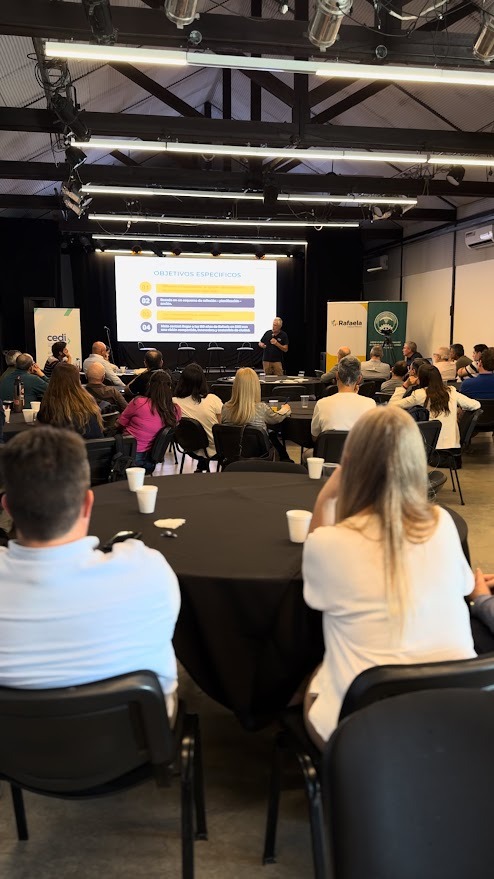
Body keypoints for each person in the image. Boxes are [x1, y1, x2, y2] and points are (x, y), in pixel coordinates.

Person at [302, 406, 476, 748]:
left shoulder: (328, 542)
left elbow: (313, 591)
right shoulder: (442, 523)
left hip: (363, 729)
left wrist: (325, 498)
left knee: (306, 674)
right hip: (460, 716)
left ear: (349, 463)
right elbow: (466, 587)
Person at [0, 427, 181, 722]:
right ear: (87, 503)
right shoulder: (149, 570)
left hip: (11, 759)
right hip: (134, 751)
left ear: (6, 506)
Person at [389, 363, 480, 452]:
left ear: (421, 378)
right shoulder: (451, 391)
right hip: (453, 449)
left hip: (431, 448)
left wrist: (405, 386)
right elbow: (475, 405)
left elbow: (391, 406)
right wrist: (458, 410)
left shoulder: (419, 394)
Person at [117, 370, 181, 473]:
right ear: (169, 388)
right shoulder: (175, 410)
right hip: (152, 459)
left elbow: (119, 424)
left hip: (130, 457)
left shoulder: (138, 403)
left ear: (150, 385)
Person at [221, 367, 291, 460]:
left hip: (232, 458)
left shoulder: (225, 408)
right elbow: (277, 418)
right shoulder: (261, 408)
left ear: (235, 386)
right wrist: (285, 409)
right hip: (260, 458)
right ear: (255, 386)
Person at [310, 356, 376, 442]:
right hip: (359, 454)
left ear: (337, 375)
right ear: (359, 379)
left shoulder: (321, 404)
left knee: (306, 454)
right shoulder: (370, 404)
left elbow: (315, 437)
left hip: (329, 454)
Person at [173, 363, 222, 470]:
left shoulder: (174, 403)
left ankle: (202, 465)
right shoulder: (213, 400)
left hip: (189, 447)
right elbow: (221, 425)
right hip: (215, 448)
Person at [37, 362, 104, 439]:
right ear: (78, 380)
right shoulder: (89, 402)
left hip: (67, 449)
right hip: (96, 449)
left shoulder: (50, 405)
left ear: (53, 380)